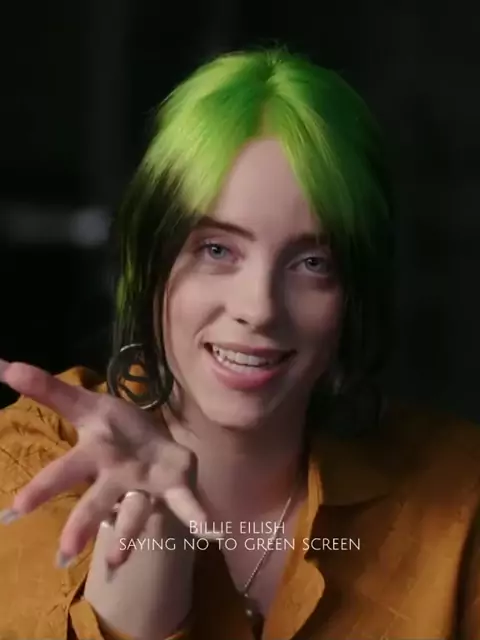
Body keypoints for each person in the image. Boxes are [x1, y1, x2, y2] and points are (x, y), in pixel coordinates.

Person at [0, 47, 479, 640]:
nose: (260, 308)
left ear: (354, 290)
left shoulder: (461, 494)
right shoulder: (32, 462)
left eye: (311, 262)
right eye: (217, 249)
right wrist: (151, 535)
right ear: (149, 264)